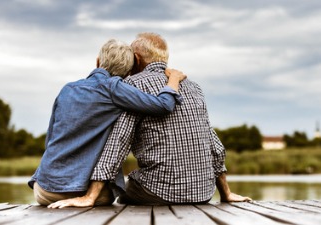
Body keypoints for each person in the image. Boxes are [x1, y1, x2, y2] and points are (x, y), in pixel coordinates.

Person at [48, 33, 251, 209]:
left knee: (119, 189)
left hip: (157, 192)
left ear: (136, 59)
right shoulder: (194, 87)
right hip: (203, 193)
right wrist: (226, 193)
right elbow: (214, 143)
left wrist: (90, 196)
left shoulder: (132, 85)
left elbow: (118, 143)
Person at [28, 38, 187, 206]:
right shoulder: (115, 88)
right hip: (81, 191)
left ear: (98, 61)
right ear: (129, 71)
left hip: (44, 190)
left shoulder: (67, 89)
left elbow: (50, 140)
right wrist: (174, 79)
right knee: (116, 194)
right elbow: (163, 105)